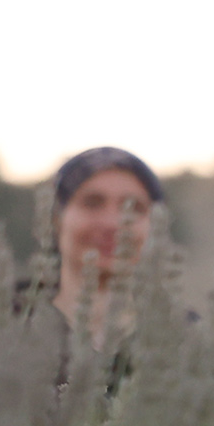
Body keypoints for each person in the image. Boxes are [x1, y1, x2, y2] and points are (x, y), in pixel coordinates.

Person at [37, 146, 165, 349]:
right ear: (56, 219)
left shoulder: (189, 339)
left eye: (134, 208)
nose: (112, 224)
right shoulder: (9, 324)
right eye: (92, 203)